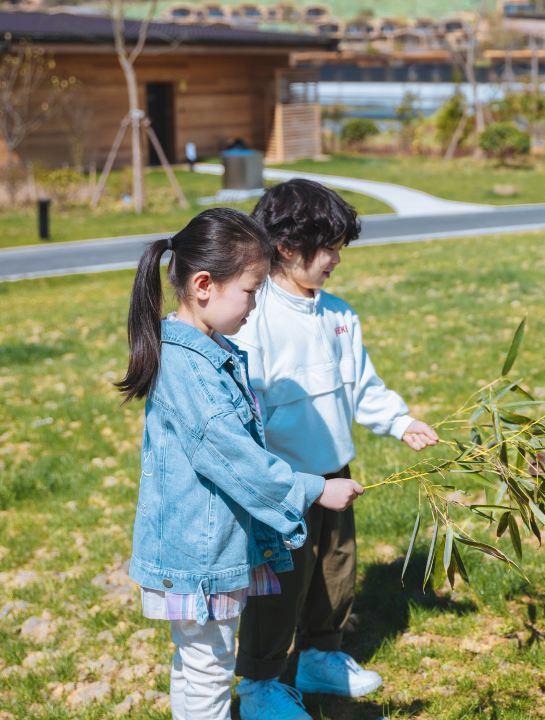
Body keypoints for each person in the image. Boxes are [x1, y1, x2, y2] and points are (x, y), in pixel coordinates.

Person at [118, 207, 363, 720]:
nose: (255, 306)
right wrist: (316, 490)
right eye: (251, 291)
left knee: (198, 665)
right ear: (204, 284)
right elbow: (240, 462)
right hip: (201, 557)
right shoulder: (192, 370)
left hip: (203, 549)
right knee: (208, 668)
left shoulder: (203, 352)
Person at [230, 180, 439, 720]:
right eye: (329, 248)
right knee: (279, 584)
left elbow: (362, 384)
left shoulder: (339, 316)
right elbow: (246, 410)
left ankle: (321, 655)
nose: (337, 260)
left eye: (341, 246)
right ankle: (259, 683)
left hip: (336, 475)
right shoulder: (256, 320)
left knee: (334, 571)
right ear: (287, 248)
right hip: (283, 484)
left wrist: (400, 421)